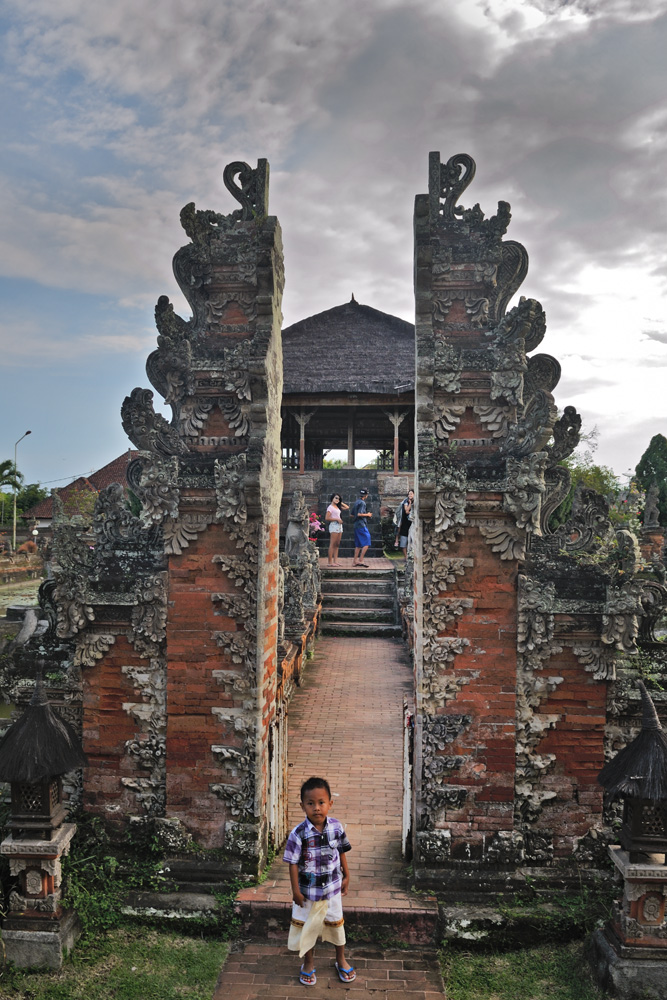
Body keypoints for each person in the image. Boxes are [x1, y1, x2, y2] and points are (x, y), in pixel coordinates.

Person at [283, 776, 355, 986]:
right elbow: (293, 863)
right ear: (302, 806)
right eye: (310, 803)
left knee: (336, 923)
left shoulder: (336, 827)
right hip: (307, 893)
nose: (316, 808)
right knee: (308, 927)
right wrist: (295, 891)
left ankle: (340, 959)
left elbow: (341, 851)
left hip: (332, 889)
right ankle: (308, 963)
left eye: (321, 802)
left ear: (330, 804)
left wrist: (347, 874)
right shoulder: (298, 834)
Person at [350, 488, 373, 567]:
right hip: (361, 525)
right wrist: (368, 515)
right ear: (366, 495)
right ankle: (361, 560)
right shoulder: (362, 503)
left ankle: (354, 561)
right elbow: (359, 514)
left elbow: (352, 514)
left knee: (358, 544)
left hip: (356, 524)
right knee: (367, 541)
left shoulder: (356, 502)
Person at [325, 492, 349, 566]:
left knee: (337, 544)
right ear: (332, 498)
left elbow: (347, 507)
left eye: (338, 498)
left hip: (339, 526)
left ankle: (335, 561)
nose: (337, 499)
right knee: (332, 544)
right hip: (334, 526)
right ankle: (330, 562)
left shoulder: (337, 507)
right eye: (336, 498)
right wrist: (337, 519)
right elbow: (327, 518)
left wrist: (340, 502)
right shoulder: (330, 507)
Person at [394, 489, 414, 558]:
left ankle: (411, 556)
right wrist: (410, 504)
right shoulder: (406, 501)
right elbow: (406, 511)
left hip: (412, 524)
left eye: (411, 494)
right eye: (409, 494)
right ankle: (406, 557)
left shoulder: (416, 501)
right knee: (403, 542)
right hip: (405, 523)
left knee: (412, 542)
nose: (410, 495)